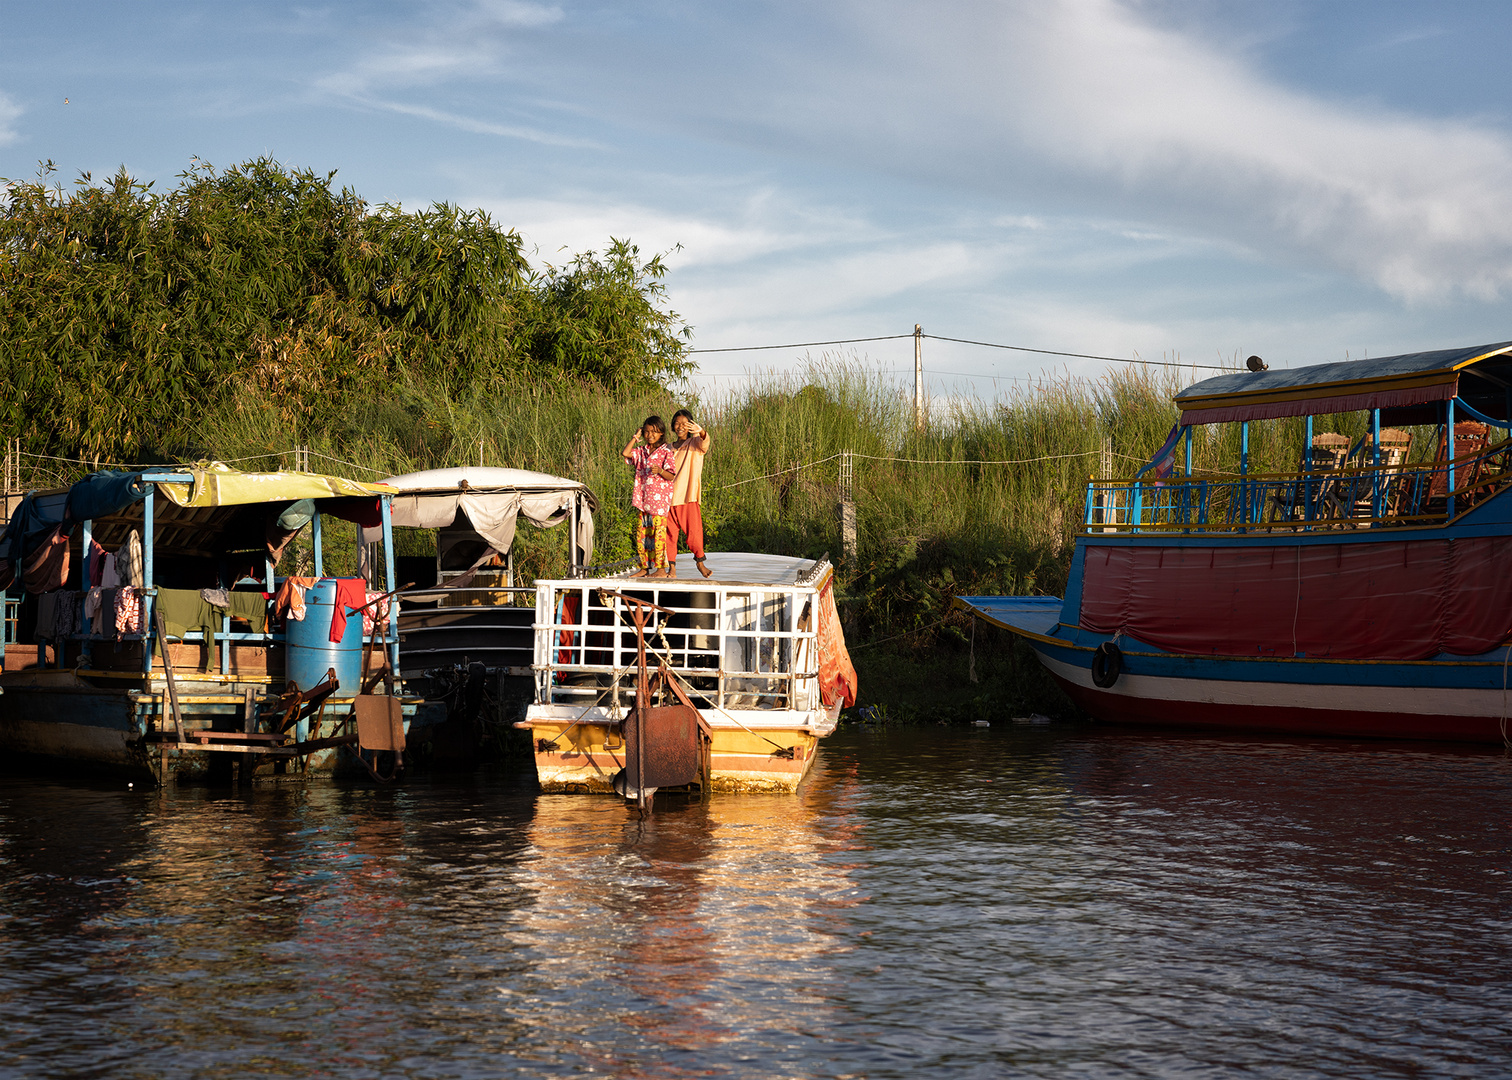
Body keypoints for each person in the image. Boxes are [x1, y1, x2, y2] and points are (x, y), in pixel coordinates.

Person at [622, 415, 676, 577]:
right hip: (643, 501)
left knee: (658, 536)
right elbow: (625, 453)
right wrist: (635, 437)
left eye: (654, 432)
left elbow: (671, 475)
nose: (650, 435)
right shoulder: (641, 451)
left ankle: (660, 569)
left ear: (661, 433)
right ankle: (644, 568)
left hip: (659, 503)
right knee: (643, 535)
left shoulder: (666, 452)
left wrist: (660, 470)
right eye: (646, 432)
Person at [667, 408, 713, 578]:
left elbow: (705, 442)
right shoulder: (668, 447)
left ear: (690, 426)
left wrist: (701, 431)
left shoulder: (694, 443)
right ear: (673, 426)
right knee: (669, 534)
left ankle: (700, 563)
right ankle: (671, 568)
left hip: (687, 495)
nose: (680, 427)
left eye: (685, 424)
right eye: (677, 423)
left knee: (694, 532)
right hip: (668, 497)